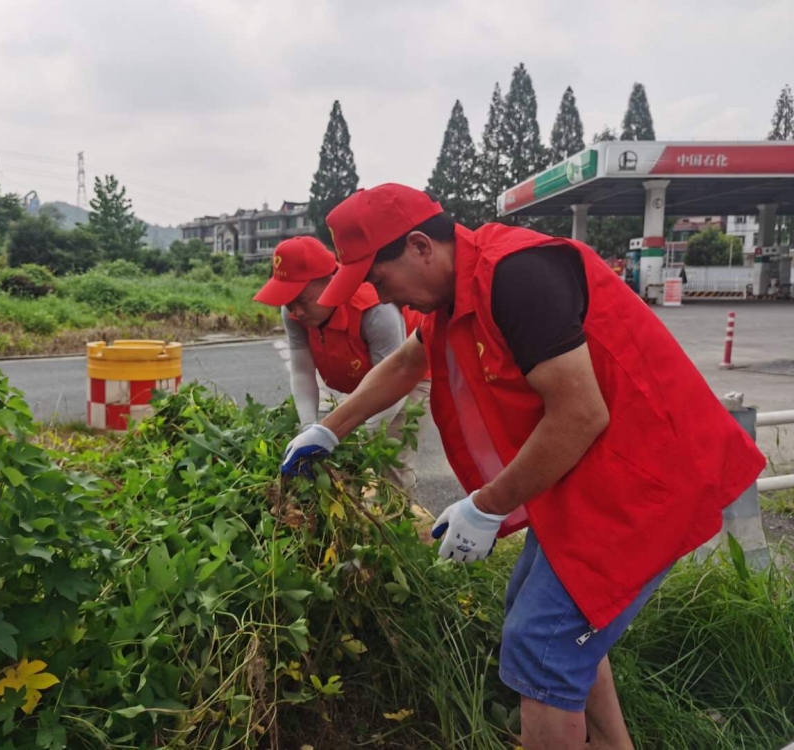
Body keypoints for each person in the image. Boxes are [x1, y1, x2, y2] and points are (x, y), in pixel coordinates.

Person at [279, 184, 764, 750]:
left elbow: (581, 414)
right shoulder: (457, 289)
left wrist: (488, 506)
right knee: (540, 618)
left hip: (644, 477)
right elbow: (408, 361)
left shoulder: (515, 276)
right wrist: (326, 431)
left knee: (543, 641)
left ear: (419, 247)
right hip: (592, 475)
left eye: (378, 279)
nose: (373, 292)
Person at [254, 235, 431, 498]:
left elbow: (395, 381)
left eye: (302, 299)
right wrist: (308, 427)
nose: (296, 311)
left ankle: (397, 526)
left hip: (408, 378)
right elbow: (302, 370)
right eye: (289, 301)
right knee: (340, 459)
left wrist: (350, 436)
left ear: (331, 281)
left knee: (391, 460)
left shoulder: (374, 310)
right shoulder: (293, 311)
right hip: (364, 379)